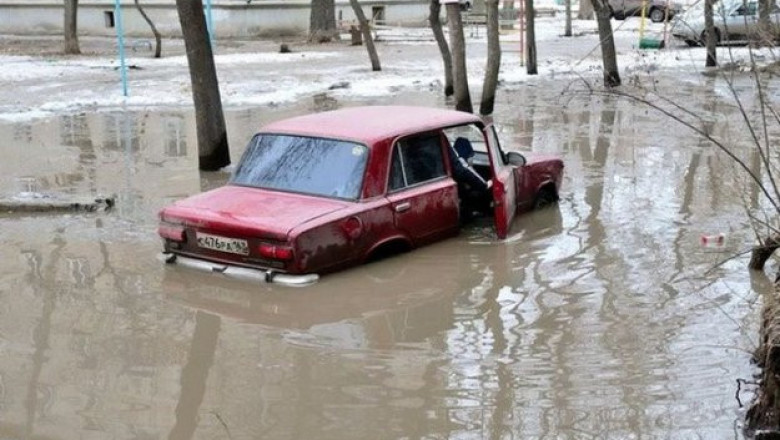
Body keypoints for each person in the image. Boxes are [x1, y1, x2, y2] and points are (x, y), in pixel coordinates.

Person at [449, 137, 491, 219]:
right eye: (471, 155)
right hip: (463, 205)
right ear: (468, 155)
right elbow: (480, 183)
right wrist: (490, 182)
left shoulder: (451, 160)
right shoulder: (461, 165)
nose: (472, 158)